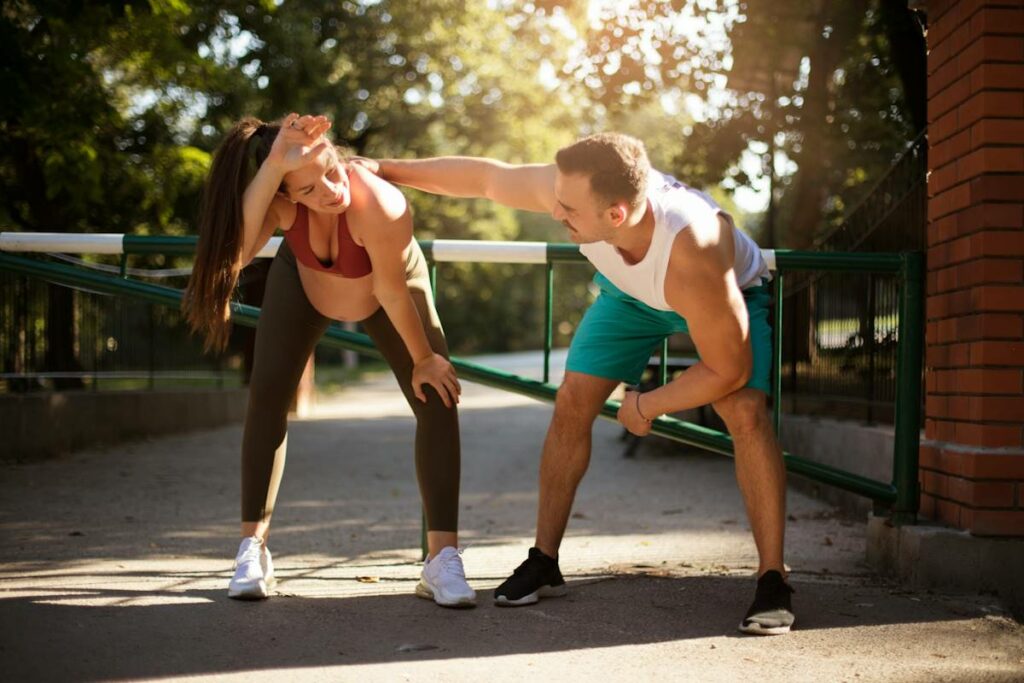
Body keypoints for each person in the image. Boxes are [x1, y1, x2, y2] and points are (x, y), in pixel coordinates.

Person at [362, 133, 794, 634]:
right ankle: (544, 560)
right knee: (572, 401)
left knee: (742, 411)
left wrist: (647, 405)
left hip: (720, 299)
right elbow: (486, 178)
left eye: (568, 209)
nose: (555, 213)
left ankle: (773, 578)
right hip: (631, 297)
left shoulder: (693, 243)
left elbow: (729, 369)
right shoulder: (577, 188)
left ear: (616, 214)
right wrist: (384, 167)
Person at [183, 114, 475, 607]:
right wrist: (275, 164)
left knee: (437, 396)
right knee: (267, 397)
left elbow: (390, 289)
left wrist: (424, 358)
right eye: (309, 188)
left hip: (389, 294)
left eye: (331, 170)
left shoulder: (380, 203)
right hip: (305, 289)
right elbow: (233, 257)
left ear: (337, 154)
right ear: (285, 194)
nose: (331, 190)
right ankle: (251, 550)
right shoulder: (280, 204)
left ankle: (441, 561)